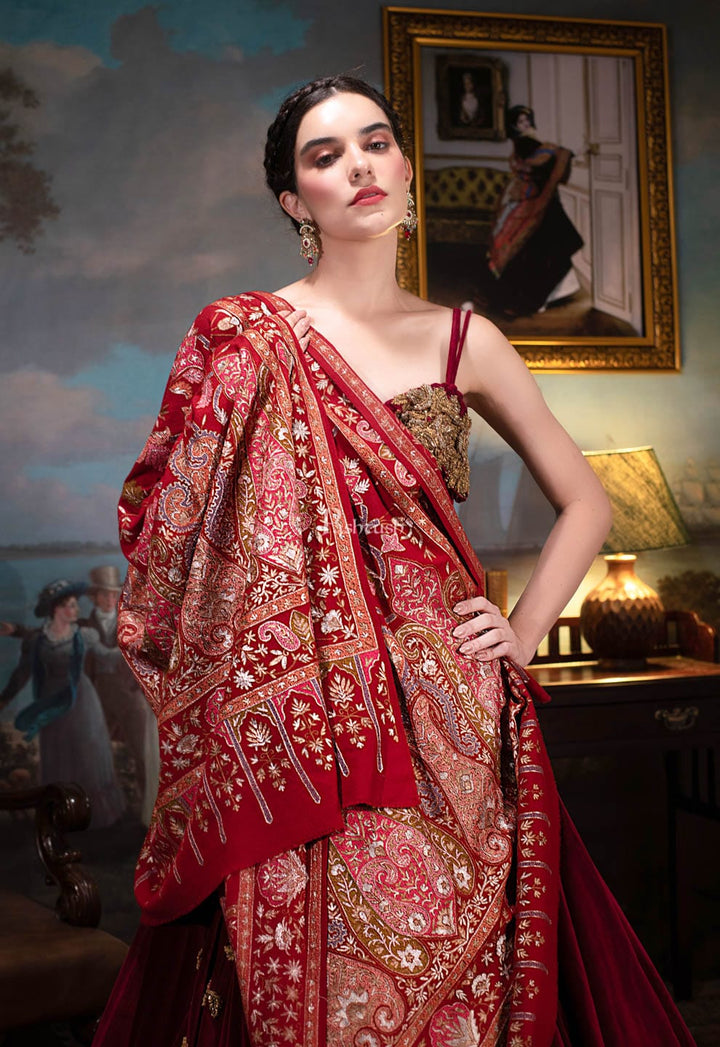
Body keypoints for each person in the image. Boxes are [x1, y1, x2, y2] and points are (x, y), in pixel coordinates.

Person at [94, 77, 694, 1045]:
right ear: (294, 200)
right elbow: (174, 530)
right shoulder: (245, 338)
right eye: (326, 155)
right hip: (300, 709)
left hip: (449, 708)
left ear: (407, 169)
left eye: (376, 143)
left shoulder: (466, 339)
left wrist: (523, 631)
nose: (359, 166)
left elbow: (588, 501)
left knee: (458, 972)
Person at [0, 579, 125, 828]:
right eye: (70, 605)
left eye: (76, 604)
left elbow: (107, 656)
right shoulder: (38, 640)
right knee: (59, 754)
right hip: (51, 705)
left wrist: (129, 647)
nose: (76, 609)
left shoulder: (84, 635)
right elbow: (22, 673)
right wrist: (4, 699)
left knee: (87, 754)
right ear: (56, 609)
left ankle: (95, 816)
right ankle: (61, 814)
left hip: (82, 702)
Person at [487, 105, 583, 318]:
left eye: (527, 121)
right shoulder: (526, 144)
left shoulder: (528, 144)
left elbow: (543, 164)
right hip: (532, 201)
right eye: (520, 122)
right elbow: (543, 161)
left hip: (537, 200)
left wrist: (560, 153)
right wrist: (562, 152)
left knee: (544, 247)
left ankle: (545, 295)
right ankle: (526, 299)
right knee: (535, 249)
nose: (525, 125)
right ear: (514, 126)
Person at [83, 564, 159, 825]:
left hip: (129, 695)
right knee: (96, 752)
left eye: (114, 594)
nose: (109, 599)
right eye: (104, 594)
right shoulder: (84, 625)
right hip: (98, 695)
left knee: (141, 752)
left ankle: (146, 812)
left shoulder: (131, 621)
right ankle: (100, 812)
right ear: (94, 597)